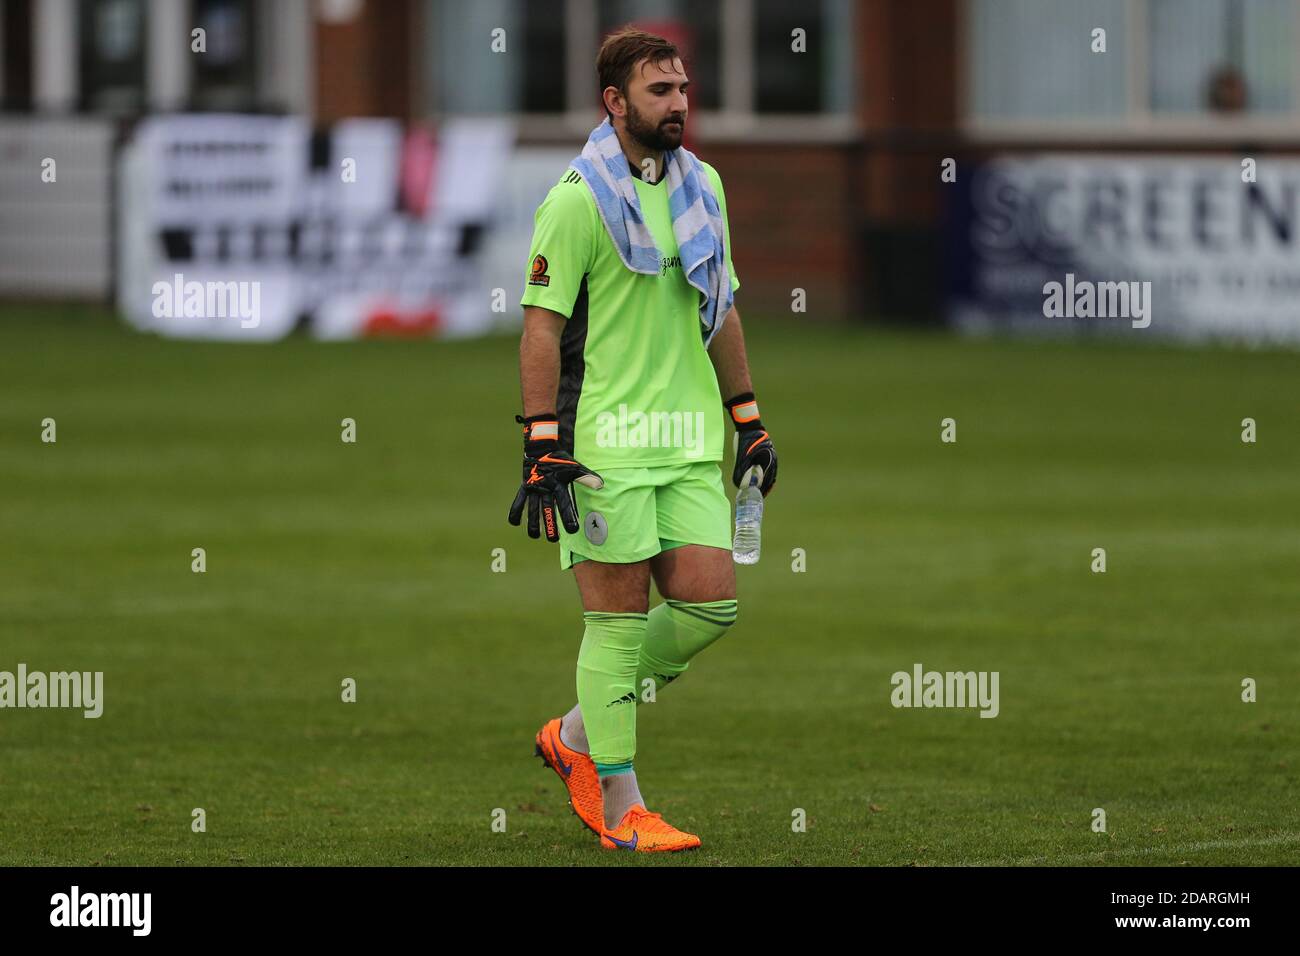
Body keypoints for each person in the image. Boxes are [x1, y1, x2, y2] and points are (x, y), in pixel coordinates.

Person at [509, 26, 778, 852]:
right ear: (615, 104)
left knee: (710, 604)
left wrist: (748, 418)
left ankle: (576, 736)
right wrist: (540, 440)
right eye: (661, 92)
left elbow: (720, 306)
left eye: (685, 90)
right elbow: (541, 329)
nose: (679, 105)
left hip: (689, 438)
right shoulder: (576, 199)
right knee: (617, 627)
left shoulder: (705, 188)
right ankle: (624, 811)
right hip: (604, 448)